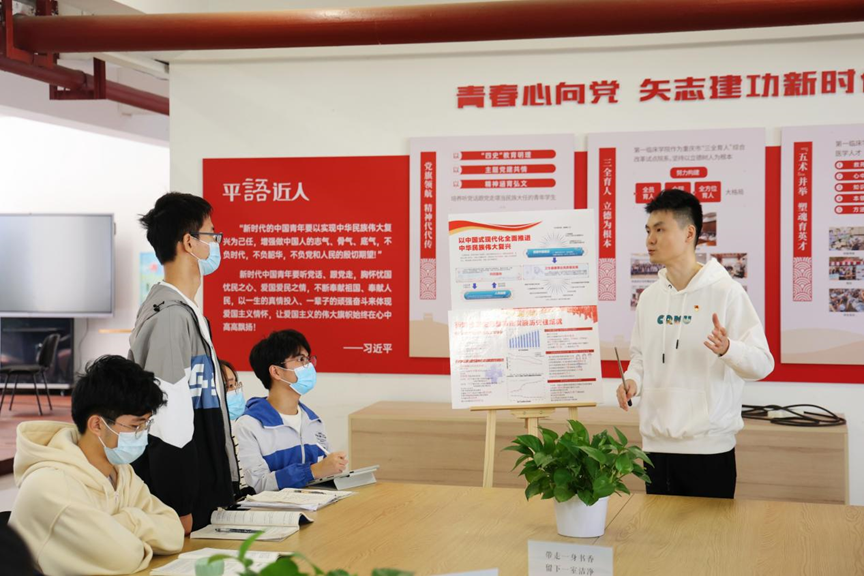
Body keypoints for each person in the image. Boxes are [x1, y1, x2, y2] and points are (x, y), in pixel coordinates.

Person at [617, 189, 774, 499]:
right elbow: (640, 358)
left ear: (689, 233)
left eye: (660, 229)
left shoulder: (726, 292)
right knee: (658, 532)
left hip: (709, 449)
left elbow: (762, 363)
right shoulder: (649, 298)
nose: (650, 240)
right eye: (648, 231)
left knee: (709, 533)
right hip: (655, 446)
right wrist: (633, 381)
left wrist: (728, 348)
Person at [9, 356, 183, 575]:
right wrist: (143, 533)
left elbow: (174, 532)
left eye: (146, 425)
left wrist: (124, 521)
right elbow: (125, 557)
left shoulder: (120, 472)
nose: (143, 434)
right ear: (97, 424)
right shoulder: (52, 486)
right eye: (135, 426)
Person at [129, 192, 239, 533]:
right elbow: (167, 421)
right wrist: (178, 505)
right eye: (212, 234)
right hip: (184, 505)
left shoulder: (186, 313)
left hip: (200, 488)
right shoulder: (171, 318)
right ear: (190, 243)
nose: (217, 243)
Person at [235, 329, 347, 493]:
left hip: (316, 503)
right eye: (300, 359)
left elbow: (324, 474)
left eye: (308, 359)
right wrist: (312, 471)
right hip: (274, 508)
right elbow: (257, 485)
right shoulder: (250, 425)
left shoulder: (313, 421)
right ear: (276, 372)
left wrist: (333, 468)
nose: (308, 366)